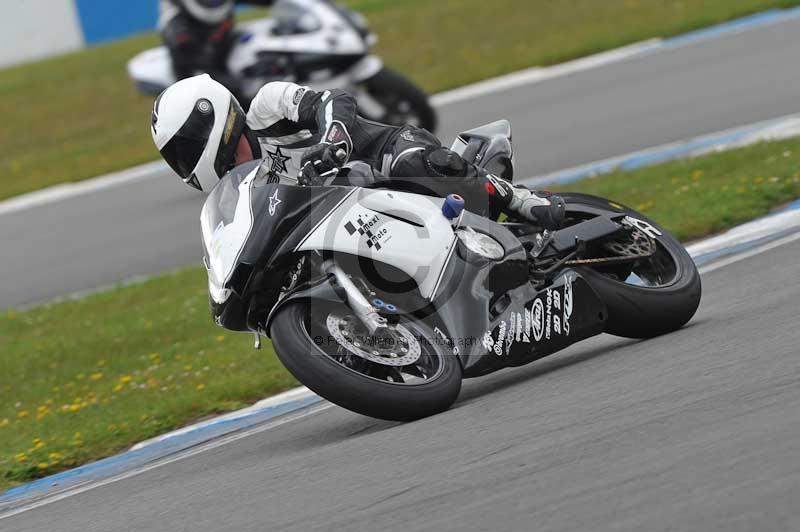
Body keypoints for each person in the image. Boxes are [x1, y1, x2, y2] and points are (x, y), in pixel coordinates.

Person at [150, 74, 566, 229]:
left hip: (379, 159)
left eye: (185, 149)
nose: (185, 161)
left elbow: (333, 100)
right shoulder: (243, 193)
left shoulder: (267, 106)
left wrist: (333, 140)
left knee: (414, 163)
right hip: (352, 221)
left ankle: (519, 199)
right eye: (177, 157)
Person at [158, 0, 275, 85]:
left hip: (226, 59)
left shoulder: (219, 6)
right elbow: (196, 75)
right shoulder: (178, 29)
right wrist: (243, 87)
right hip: (202, 88)